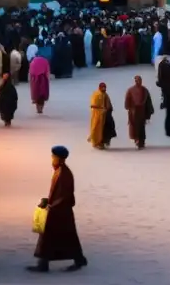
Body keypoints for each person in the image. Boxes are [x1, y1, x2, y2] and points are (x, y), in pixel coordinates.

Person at [29, 145, 87, 273]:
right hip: (60, 210)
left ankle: (43, 263)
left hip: (60, 211)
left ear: (59, 158)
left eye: (53, 157)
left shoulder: (63, 174)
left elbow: (63, 195)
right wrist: (48, 201)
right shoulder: (60, 171)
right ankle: (78, 259)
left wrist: (51, 206)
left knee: (49, 236)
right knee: (68, 237)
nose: (52, 159)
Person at [123, 75, 152, 149]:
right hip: (133, 111)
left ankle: (141, 141)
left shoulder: (144, 90)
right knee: (134, 126)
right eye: (136, 80)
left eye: (139, 80)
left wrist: (149, 112)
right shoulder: (130, 90)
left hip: (141, 112)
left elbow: (148, 101)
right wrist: (128, 107)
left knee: (141, 127)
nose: (138, 82)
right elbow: (127, 100)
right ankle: (137, 140)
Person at [87, 82, 114, 150]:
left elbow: (109, 104)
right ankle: (96, 142)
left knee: (108, 127)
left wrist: (108, 109)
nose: (104, 89)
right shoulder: (96, 94)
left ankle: (104, 141)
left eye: (105, 87)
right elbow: (92, 105)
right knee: (96, 128)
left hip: (106, 114)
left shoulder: (105, 94)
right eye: (102, 87)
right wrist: (101, 108)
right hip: (97, 115)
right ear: (99, 87)